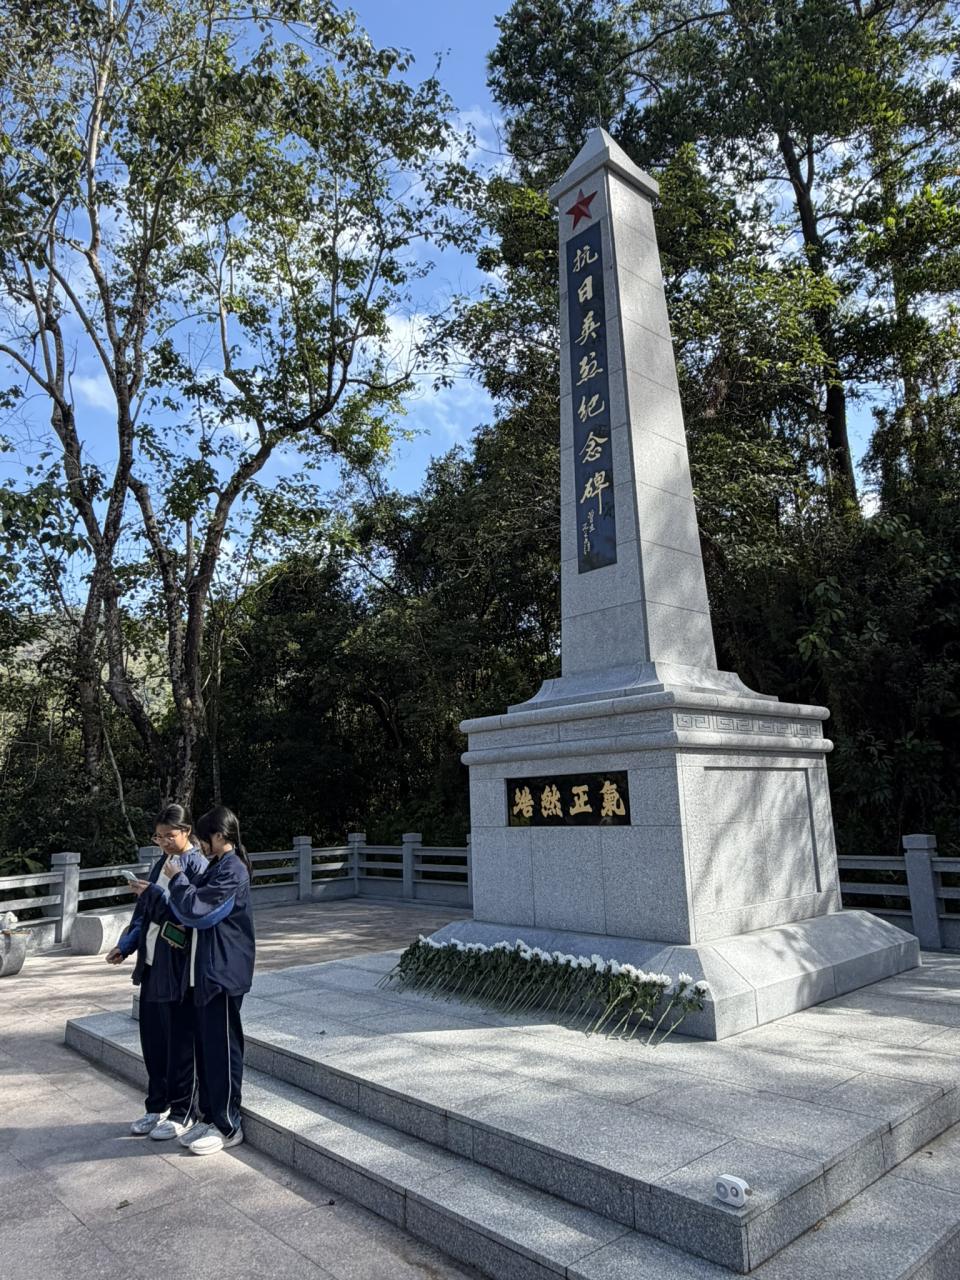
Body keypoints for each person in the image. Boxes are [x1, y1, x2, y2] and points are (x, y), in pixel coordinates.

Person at [140, 805, 255, 1156]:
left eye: (205, 838)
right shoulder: (218, 866)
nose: (202, 845)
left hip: (223, 973)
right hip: (202, 973)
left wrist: (177, 879)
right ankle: (208, 1116)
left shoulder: (233, 870)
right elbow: (183, 910)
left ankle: (228, 1125)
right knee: (205, 1051)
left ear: (219, 836)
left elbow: (198, 912)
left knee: (222, 1051)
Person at [107, 804, 207, 1140]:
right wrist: (126, 945)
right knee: (153, 1041)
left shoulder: (197, 865)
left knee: (179, 1041)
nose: (164, 842)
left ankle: (182, 1111)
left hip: (177, 965)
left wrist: (155, 894)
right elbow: (143, 913)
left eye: (169, 836)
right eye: (159, 836)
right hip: (151, 962)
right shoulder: (161, 862)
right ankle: (156, 1105)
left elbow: (188, 915)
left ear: (186, 831)